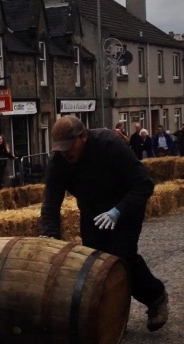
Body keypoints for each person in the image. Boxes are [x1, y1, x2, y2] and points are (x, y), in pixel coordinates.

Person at [40, 115, 169, 332]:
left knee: (122, 257)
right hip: (92, 210)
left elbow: (144, 184)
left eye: (70, 146)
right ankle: (113, 317)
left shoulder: (110, 145)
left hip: (125, 205)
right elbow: (51, 202)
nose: (66, 152)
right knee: (95, 265)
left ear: (84, 137)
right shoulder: (59, 161)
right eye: (61, 148)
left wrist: (118, 211)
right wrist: (49, 236)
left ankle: (156, 297)